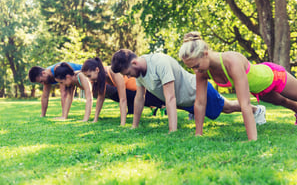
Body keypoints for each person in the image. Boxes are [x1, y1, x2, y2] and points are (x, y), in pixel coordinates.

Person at [110, 49, 265, 133]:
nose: (127, 76)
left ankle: (257, 110)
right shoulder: (139, 71)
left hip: (196, 92)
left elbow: (170, 98)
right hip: (185, 102)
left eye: (127, 73)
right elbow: (139, 97)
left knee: (227, 108)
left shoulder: (159, 62)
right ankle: (194, 113)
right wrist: (134, 126)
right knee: (225, 108)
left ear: (134, 62)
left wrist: (173, 131)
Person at [179, 31, 297, 141]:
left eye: (196, 66)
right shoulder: (202, 71)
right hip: (260, 89)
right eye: (192, 68)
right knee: (283, 102)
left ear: (205, 54)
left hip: (274, 77)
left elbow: (244, 104)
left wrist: (252, 140)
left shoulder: (231, 62)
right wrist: (198, 135)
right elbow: (200, 103)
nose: (195, 71)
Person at [81, 57, 166, 125]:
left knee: (166, 102)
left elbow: (123, 99)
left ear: (97, 70)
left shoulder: (112, 72)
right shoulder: (103, 77)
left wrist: (122, 123)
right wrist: (95, 119)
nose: (89, 79)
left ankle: (162, 107)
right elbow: (100, 98)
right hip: (134, 93)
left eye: (89, 76)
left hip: (145, 92)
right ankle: (160, 107)